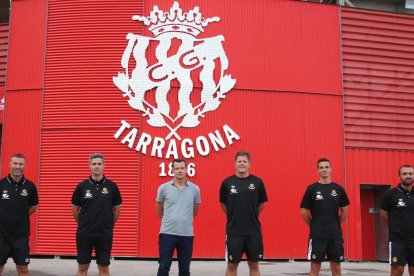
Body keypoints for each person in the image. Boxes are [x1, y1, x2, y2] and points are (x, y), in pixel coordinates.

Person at [71, 153, 122, 276]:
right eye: (94, 164)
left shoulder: (112, 186)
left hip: (104, 233)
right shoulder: (82, 186)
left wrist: (108, 223)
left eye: (99, 164)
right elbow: (74, 208)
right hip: (85, 233)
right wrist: (83, 223)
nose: (97, 166)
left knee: (104, 268)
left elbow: (117, 209)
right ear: (89, 166)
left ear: (104, 165)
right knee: (82, 267)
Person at [220, 151, 268, 276]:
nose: (242, 163)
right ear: (234, 164)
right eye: (239, 161)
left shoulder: (257, 182)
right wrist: (233, 215)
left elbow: (261, 204)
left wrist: (252, 215)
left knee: (254, 265)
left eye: (244, 161)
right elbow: (223, 204)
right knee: (232, 265)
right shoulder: (227, 183)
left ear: (249, 164)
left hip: (253, 231)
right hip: (234, 231)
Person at [300, 157, 350, 276]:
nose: (324, 169)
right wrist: (313, 225)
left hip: (335, 235)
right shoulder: (312, 189)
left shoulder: (339, 189)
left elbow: (345, 211)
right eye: (321, 167)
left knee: (336, 268)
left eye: (326, 167)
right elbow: (303, 211)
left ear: (331, 169)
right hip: (317, 235)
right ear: (317, 170)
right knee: (315, 268)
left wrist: (336, 224)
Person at [156, 158, 201, 276]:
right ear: (172, 170)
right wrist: (168, 220)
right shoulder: (163, 188)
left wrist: (185, 219)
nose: (180, 171)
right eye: (177, 168)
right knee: (163, 267)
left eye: (182, 168)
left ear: (186, 170)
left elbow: (195, 209)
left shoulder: (195, 189)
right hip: (167, 233)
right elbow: (159, 207)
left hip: (186, 234)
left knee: (185, 269)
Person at [0, 153, 38, 276]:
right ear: (9, 165)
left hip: (21, 236)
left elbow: (33, 207)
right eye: (15, 163)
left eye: (20, 164)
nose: (18, 166)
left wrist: (19, 216)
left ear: (24, 166)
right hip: (1, 235)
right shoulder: (1, 184)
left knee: (23, 269)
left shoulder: (30, 186)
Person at [380, 164, 414, 276]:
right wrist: (395, 226)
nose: (408, 176)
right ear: (399, 176)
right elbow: (383, 215)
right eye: (405, 174)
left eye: (410, 173)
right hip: (397, 240)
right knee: (397, 271)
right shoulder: (390, 194)